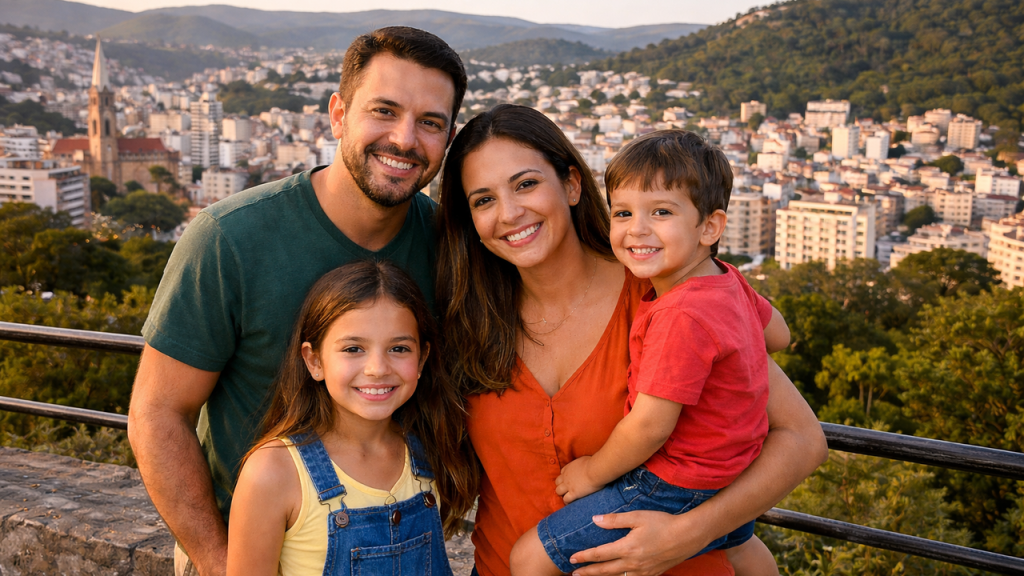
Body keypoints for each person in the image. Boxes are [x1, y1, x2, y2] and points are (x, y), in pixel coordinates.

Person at [127, 27, 469, 576]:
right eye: (384, 110)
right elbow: (157, 414)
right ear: (338, 115)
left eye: (430, 122)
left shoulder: (449, 244)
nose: (405, 139)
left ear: (448, 136)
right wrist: (219, 562)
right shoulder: (230, 238)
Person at [436, 104, 829, 576]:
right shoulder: (467, 319)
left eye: (526, 184)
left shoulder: (668, 295)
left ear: (573, 184)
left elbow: (802, 439)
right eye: (483, 200)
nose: (510, 212)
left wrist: (690, 534)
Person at [509, 130, 787, 576]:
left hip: (675, 482)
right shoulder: (727, 282)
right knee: (741, 547)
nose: (637, 229)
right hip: (730, 474)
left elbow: (651, 425)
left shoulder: (681, 315)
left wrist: (592, 473)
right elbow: (779, 335)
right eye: (623, 212)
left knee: (528, 559)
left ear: (710, 227)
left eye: (660, 212)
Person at [227, 260, 473, 576]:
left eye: (398, 348)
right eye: (354, 348)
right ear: (314, 360)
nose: (378, 368)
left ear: (422, 358)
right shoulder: (273, 473)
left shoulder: (429, 450)